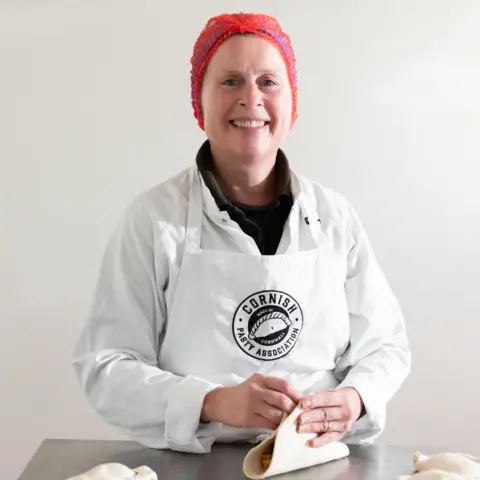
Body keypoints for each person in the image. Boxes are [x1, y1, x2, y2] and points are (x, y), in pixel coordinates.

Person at [72, 12, 411, 455]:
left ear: (292, 102)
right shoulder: (153, 220)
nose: (251, 99)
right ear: (200, 102)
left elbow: (384, 345)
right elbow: (106, 365)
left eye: (268, 81)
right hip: (198, 462)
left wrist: (354, 398)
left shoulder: (335, 217)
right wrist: (212, 402)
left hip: (316, 458)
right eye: (230, 81)